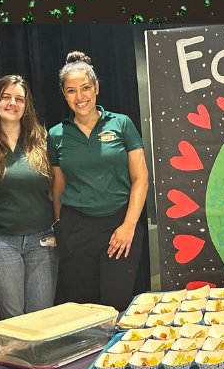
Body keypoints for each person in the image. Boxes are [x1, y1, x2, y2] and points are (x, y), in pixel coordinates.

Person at [49, 51, 149, 310]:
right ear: (63, 94)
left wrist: (129, 225)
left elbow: (141, 179)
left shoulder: (121, 124)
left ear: (96, 87)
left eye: (85, 88)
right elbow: (58, 186)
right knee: (83, 311)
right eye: (71, 91)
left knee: (115, 305)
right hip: (76, 230)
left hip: (119, 225)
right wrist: (61, 226)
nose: (80, 97)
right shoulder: (57, 134)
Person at [0, 75, 58, 318]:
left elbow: (57, 186)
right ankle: (13, 358)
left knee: (42, 316)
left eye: (19, 99)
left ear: (26, 105)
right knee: (15, 319)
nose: (13, 103)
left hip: (42, 240)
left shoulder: (43, 141)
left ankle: (43, 359)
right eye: (6, 97)